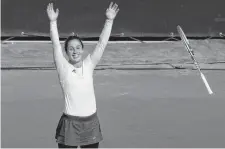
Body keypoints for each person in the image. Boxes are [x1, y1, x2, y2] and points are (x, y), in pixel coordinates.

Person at [46, 2, 119, 148]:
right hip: (70, 125)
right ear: (66, 52)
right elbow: (55, 45)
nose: (75, 51)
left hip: (91, 124)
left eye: (78, 47)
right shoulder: (63, 68)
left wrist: (109, 20)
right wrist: (53, 22)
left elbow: (101, 44)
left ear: (83, 50)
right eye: (71, 48)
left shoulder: (89, 64)